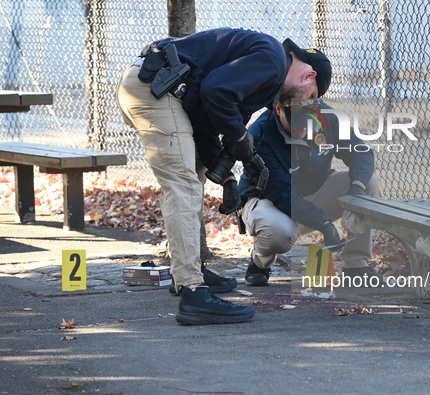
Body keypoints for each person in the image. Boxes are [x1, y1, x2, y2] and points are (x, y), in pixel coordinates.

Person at [116, 27, 332, 325]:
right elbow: (216, 92)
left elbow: (206, 116)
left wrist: (228, 176)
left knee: (194, 176)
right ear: (309, 76)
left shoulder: (265, 81)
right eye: (311, 98)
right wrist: (241, 135)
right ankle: (193, 292)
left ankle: (189, 272)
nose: (305, 105)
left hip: (164, 89)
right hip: (156, 89)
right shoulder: (272, 60)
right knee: (183, 184)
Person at [238, 94, 382, 288]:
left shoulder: (327, 115)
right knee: (278, 233)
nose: (303, 129)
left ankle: (355, 266)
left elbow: (361, 152)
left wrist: (357, 189)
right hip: (272, 203)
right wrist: (324, 224)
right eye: (297, 124)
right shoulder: (261, 134)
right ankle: (259, 261)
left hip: (315, 192)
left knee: (368, 182)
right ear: (279, 110)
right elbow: (283, 193)